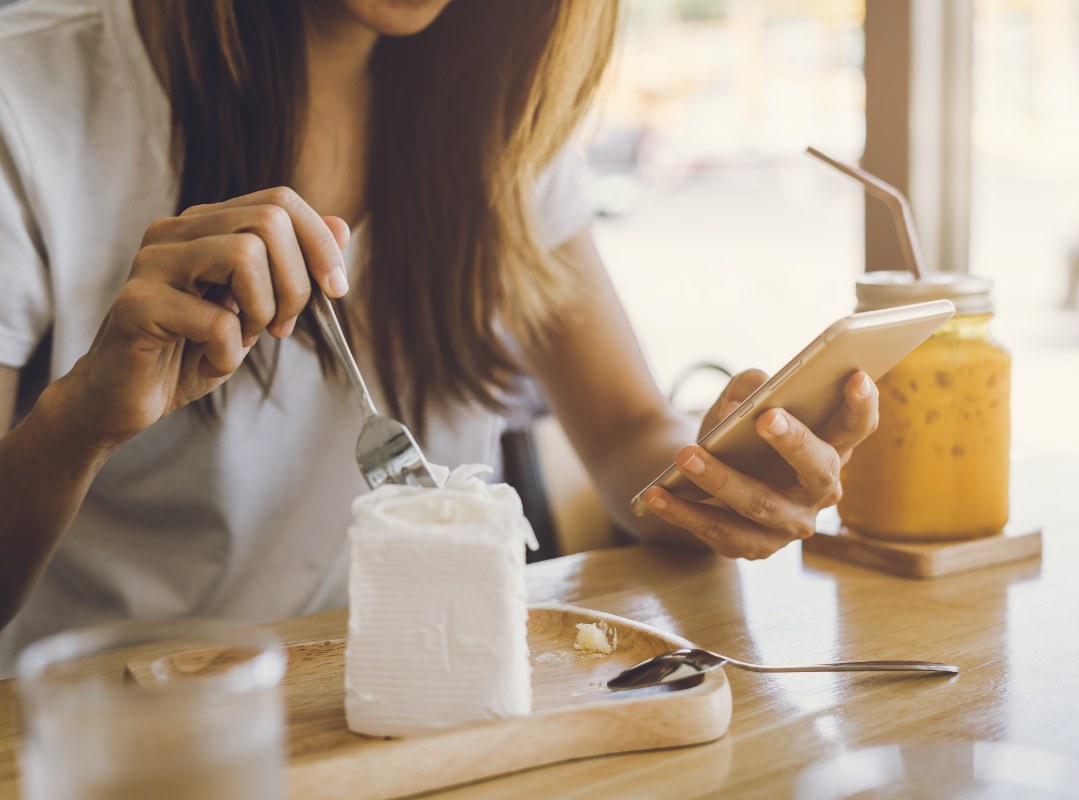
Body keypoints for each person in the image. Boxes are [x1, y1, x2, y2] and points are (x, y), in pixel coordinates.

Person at [0, 0, 879, 673]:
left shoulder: (496, 106)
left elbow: (622, 438)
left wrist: (726, 474)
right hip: (135, 729)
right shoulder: (30, 90)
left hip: (434, 699)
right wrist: (82, 419)